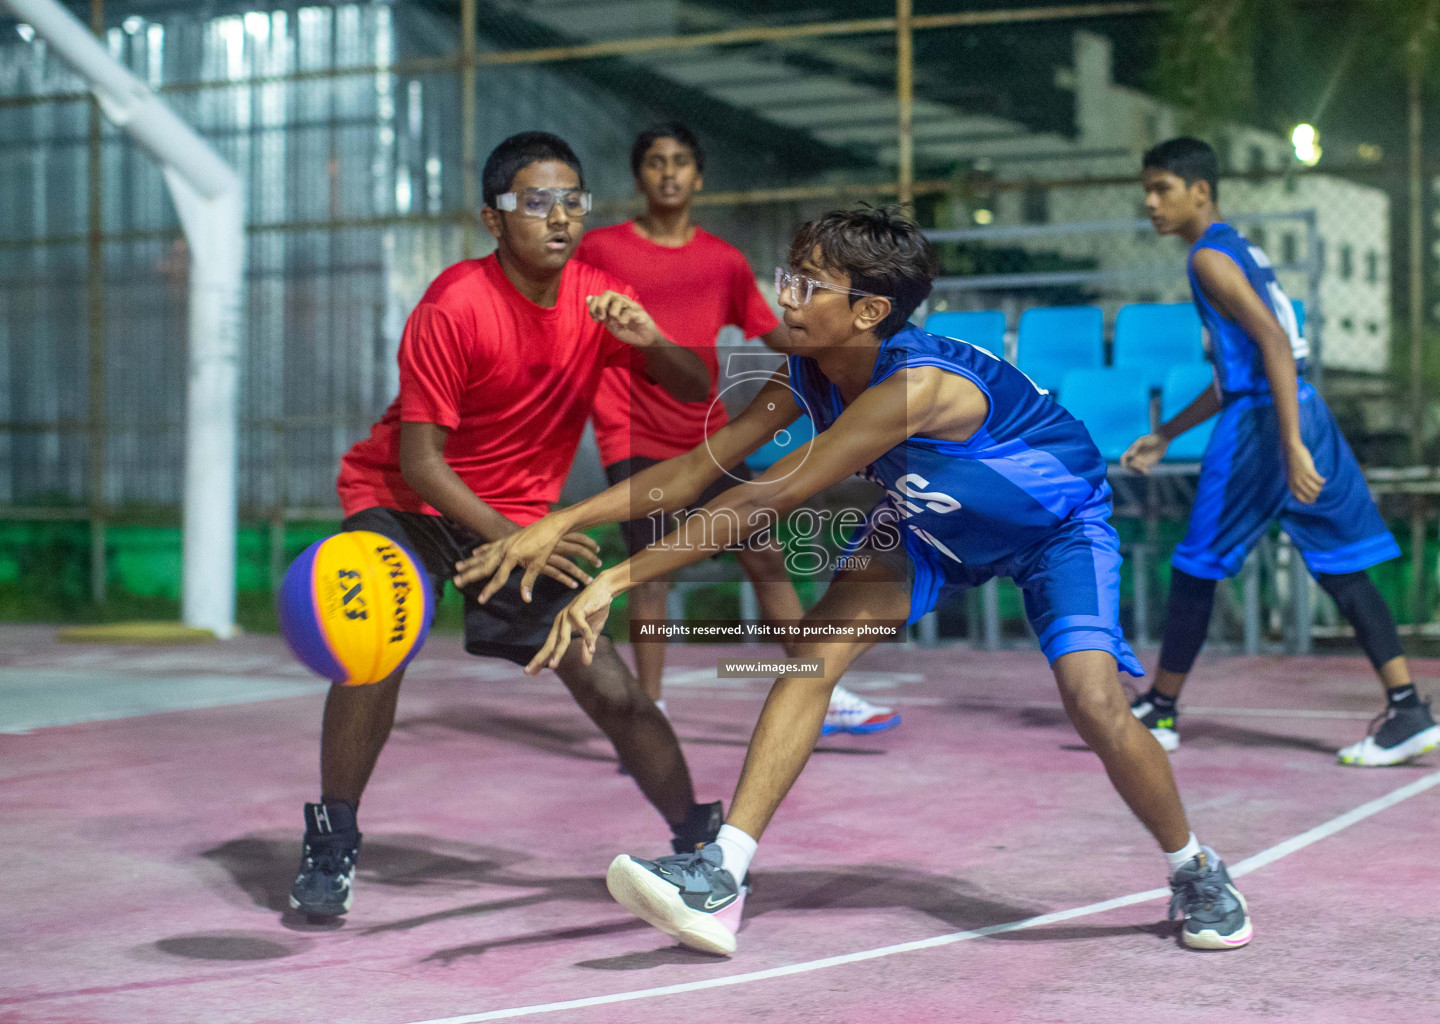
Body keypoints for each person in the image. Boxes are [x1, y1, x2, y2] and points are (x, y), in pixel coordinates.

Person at [456, 207, 1253, 954]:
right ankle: (720, 875)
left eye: (808, 284)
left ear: (869, 311)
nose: (786, 297)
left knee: (1093, 700)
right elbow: (704, 465)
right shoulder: (806, 370)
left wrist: (613, 581)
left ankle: (1195, 868)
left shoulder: (912, 387)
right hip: (930, 525)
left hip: (1055, 532)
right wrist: (558, 523)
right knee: (809, 659)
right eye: (788, 275)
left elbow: (769, 493)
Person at [289, 132, 722, 919]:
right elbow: (421, 462)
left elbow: (697, 389)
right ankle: (333, 836)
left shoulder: (598, 298)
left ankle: (700, 844)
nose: (558, 217)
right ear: (495, 219)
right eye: (536, 202)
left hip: (518, 520)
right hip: (408, 504)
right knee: (374, 651)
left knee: (611, 686)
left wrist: (649, 340)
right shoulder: (454, 304)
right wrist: (511, 536)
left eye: (572, 201)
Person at [1124, 137, 1440, 767]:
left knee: (1196, 564)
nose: (1151, 203)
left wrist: (1288, 442)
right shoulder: (1239, 247)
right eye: (1147, 191)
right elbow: (1240, 368)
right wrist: (1168, 433)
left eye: (1162, 189)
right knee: (1342, 568)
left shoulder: (1208, 259)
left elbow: (1270, 341)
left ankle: (1161, 710)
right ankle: (1408, 708)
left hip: (1265, 423)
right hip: (1299, 405)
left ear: (1201, 191)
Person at [576, 122, 899, 738]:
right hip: (631, 430)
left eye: (680, 163)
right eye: (654, 162)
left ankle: (818, 691)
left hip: (706, 433)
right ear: (639, 176)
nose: (668, 173)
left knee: (763, 551)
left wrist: (844, 343)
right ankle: (650, 713)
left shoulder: (722, 260)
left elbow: (773, 334)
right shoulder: (601, 251)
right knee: (652, 566)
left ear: (699, 178)